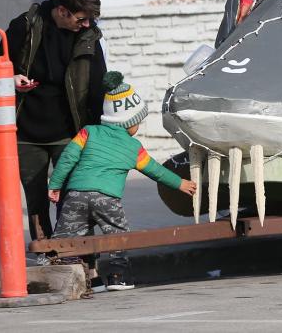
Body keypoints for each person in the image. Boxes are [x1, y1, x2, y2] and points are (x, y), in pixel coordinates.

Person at [47, 72, 197, 291]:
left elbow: (67, 158)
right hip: (107, 198)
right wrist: (181, 183)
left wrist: (55, 184)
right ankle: (119, 277)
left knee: (69, 236)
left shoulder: (88, 132)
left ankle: (71, 279)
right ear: (130, 123)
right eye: (138, 122)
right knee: (117, 236)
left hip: (76, 195)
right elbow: (155, 170)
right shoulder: (134, 148)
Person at [5, 0, 108, 258]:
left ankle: (81, 256)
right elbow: (0, 62)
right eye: (80, 18)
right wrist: (12, 77)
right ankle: (47, 253)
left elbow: (97, 83)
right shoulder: (24, 26)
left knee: (74, 196)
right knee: (36, 197)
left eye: (89, 18)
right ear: (62, 11)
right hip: (26, 131)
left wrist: (96, 133)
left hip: (70, 131)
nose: (86, 24)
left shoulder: (88, 34)